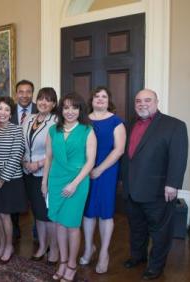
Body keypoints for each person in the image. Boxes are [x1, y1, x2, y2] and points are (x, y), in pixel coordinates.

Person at [122, 89, 188, 280]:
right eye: (138, 101)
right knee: (136, 227)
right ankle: (138, 257)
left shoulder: (174, 125)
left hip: (159, 190)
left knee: (160, 232)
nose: (142, 104)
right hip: (131, 188)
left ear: (157, 102)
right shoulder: (128, 125)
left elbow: (178, 157)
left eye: (147, 100)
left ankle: (156, 266)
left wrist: (173, 184)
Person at [42, 92, 97, 282]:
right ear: (61, 110)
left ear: (80, 109)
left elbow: (90, 162)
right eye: (66, 107)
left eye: (74, 107)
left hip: (77, 181)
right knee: (58, 223)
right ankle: (63, 262)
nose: (70, 111)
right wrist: (44, 182)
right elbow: (48, 158)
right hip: (56, 180)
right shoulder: (52, 130)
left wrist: (74, 184)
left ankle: (72, 264)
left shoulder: (87, 130)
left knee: (72, 225)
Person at [80, 87, 126, 274]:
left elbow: (119, 150)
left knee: (105, 213)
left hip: (106, 171)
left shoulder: (116, 121)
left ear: (109, 101)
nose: (100, 99)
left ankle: (104, 253)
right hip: (84, 171)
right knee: (88, 211)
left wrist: (99, 169)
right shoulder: (83, 120)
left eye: (104, 96)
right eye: (97, 96)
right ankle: (89, 248)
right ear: (91, 100)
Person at [0, 96, 27, 263]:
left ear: (11, 113)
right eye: (0, 109)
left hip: (10, 180)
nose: (3, 112)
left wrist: (1, 179)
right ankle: (2, 245)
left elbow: (16, 157)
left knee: (5, 215)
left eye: (7, 110)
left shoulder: (17, 130)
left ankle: (9, 246)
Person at [22, 87, 59, 265]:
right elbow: (22, 145)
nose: (44, 102)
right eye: (41, 99)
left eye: (48, 99)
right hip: (28, 173)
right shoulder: (28, 119)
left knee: (48, 214)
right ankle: (42, 246)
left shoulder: (56, 122)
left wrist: (38, 164)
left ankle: (54, 250)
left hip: (47, 174)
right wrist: (25, 163)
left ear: (53, 104)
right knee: (37, 213)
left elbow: (58, 151)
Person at [10, 79, 38, 240]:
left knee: (35, 200)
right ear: (16, 93)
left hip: (32, 163)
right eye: (21, 91)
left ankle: (37, 233)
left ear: (32, 93)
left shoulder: (39, 109)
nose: (25, 95)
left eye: (28, 92)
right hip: (12, 165)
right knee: (13, 198)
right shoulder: (8, 110)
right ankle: (14, 231)